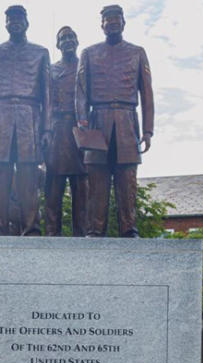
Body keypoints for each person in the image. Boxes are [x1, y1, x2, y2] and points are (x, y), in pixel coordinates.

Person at [77, 4, 154, 238]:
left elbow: (147, 93)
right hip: (97, 120)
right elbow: (80, 92)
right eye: (107, 19)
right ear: (101, 25)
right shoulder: (88, 53)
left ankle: (128, 228)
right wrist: (82, 121)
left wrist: (149, 130)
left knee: (127, 179)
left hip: (127, 120)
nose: (112, 22)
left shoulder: (137, 52)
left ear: (123, 22)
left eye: (116, 18)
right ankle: (95, 229)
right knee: (96, 179)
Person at [0, 5, 51, 236]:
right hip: (1, 115)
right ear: (6, 24)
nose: (15, 22)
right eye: (10, 19)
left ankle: (31, 227)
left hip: (30, 115)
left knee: (29, 174)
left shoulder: (41, 52)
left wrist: (47, 128)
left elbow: (47, 95)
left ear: (27, 22)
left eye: (19, 18)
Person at [44, 26, 87, 237]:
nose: (68, 41)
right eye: (63, 38)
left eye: (71, 36)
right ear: (57, 44)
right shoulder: (51, 70)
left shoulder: (86, 66)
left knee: (82, 183)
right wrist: (45, 130)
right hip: (57, 129)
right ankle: (52, 233)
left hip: (81, 128)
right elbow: (45, 102)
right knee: (53, 184)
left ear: (77, 41)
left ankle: (82, 233)